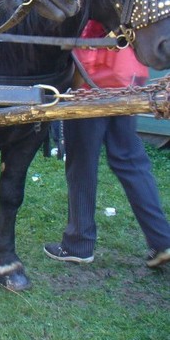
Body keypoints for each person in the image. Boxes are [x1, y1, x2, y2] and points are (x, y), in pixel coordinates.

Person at [44, 20, 170, 268]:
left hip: (92, 78)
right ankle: (163, 240)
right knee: (131, 161)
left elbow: (91, 24)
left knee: (82, 163)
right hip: (127, 76)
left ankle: (78, 244)